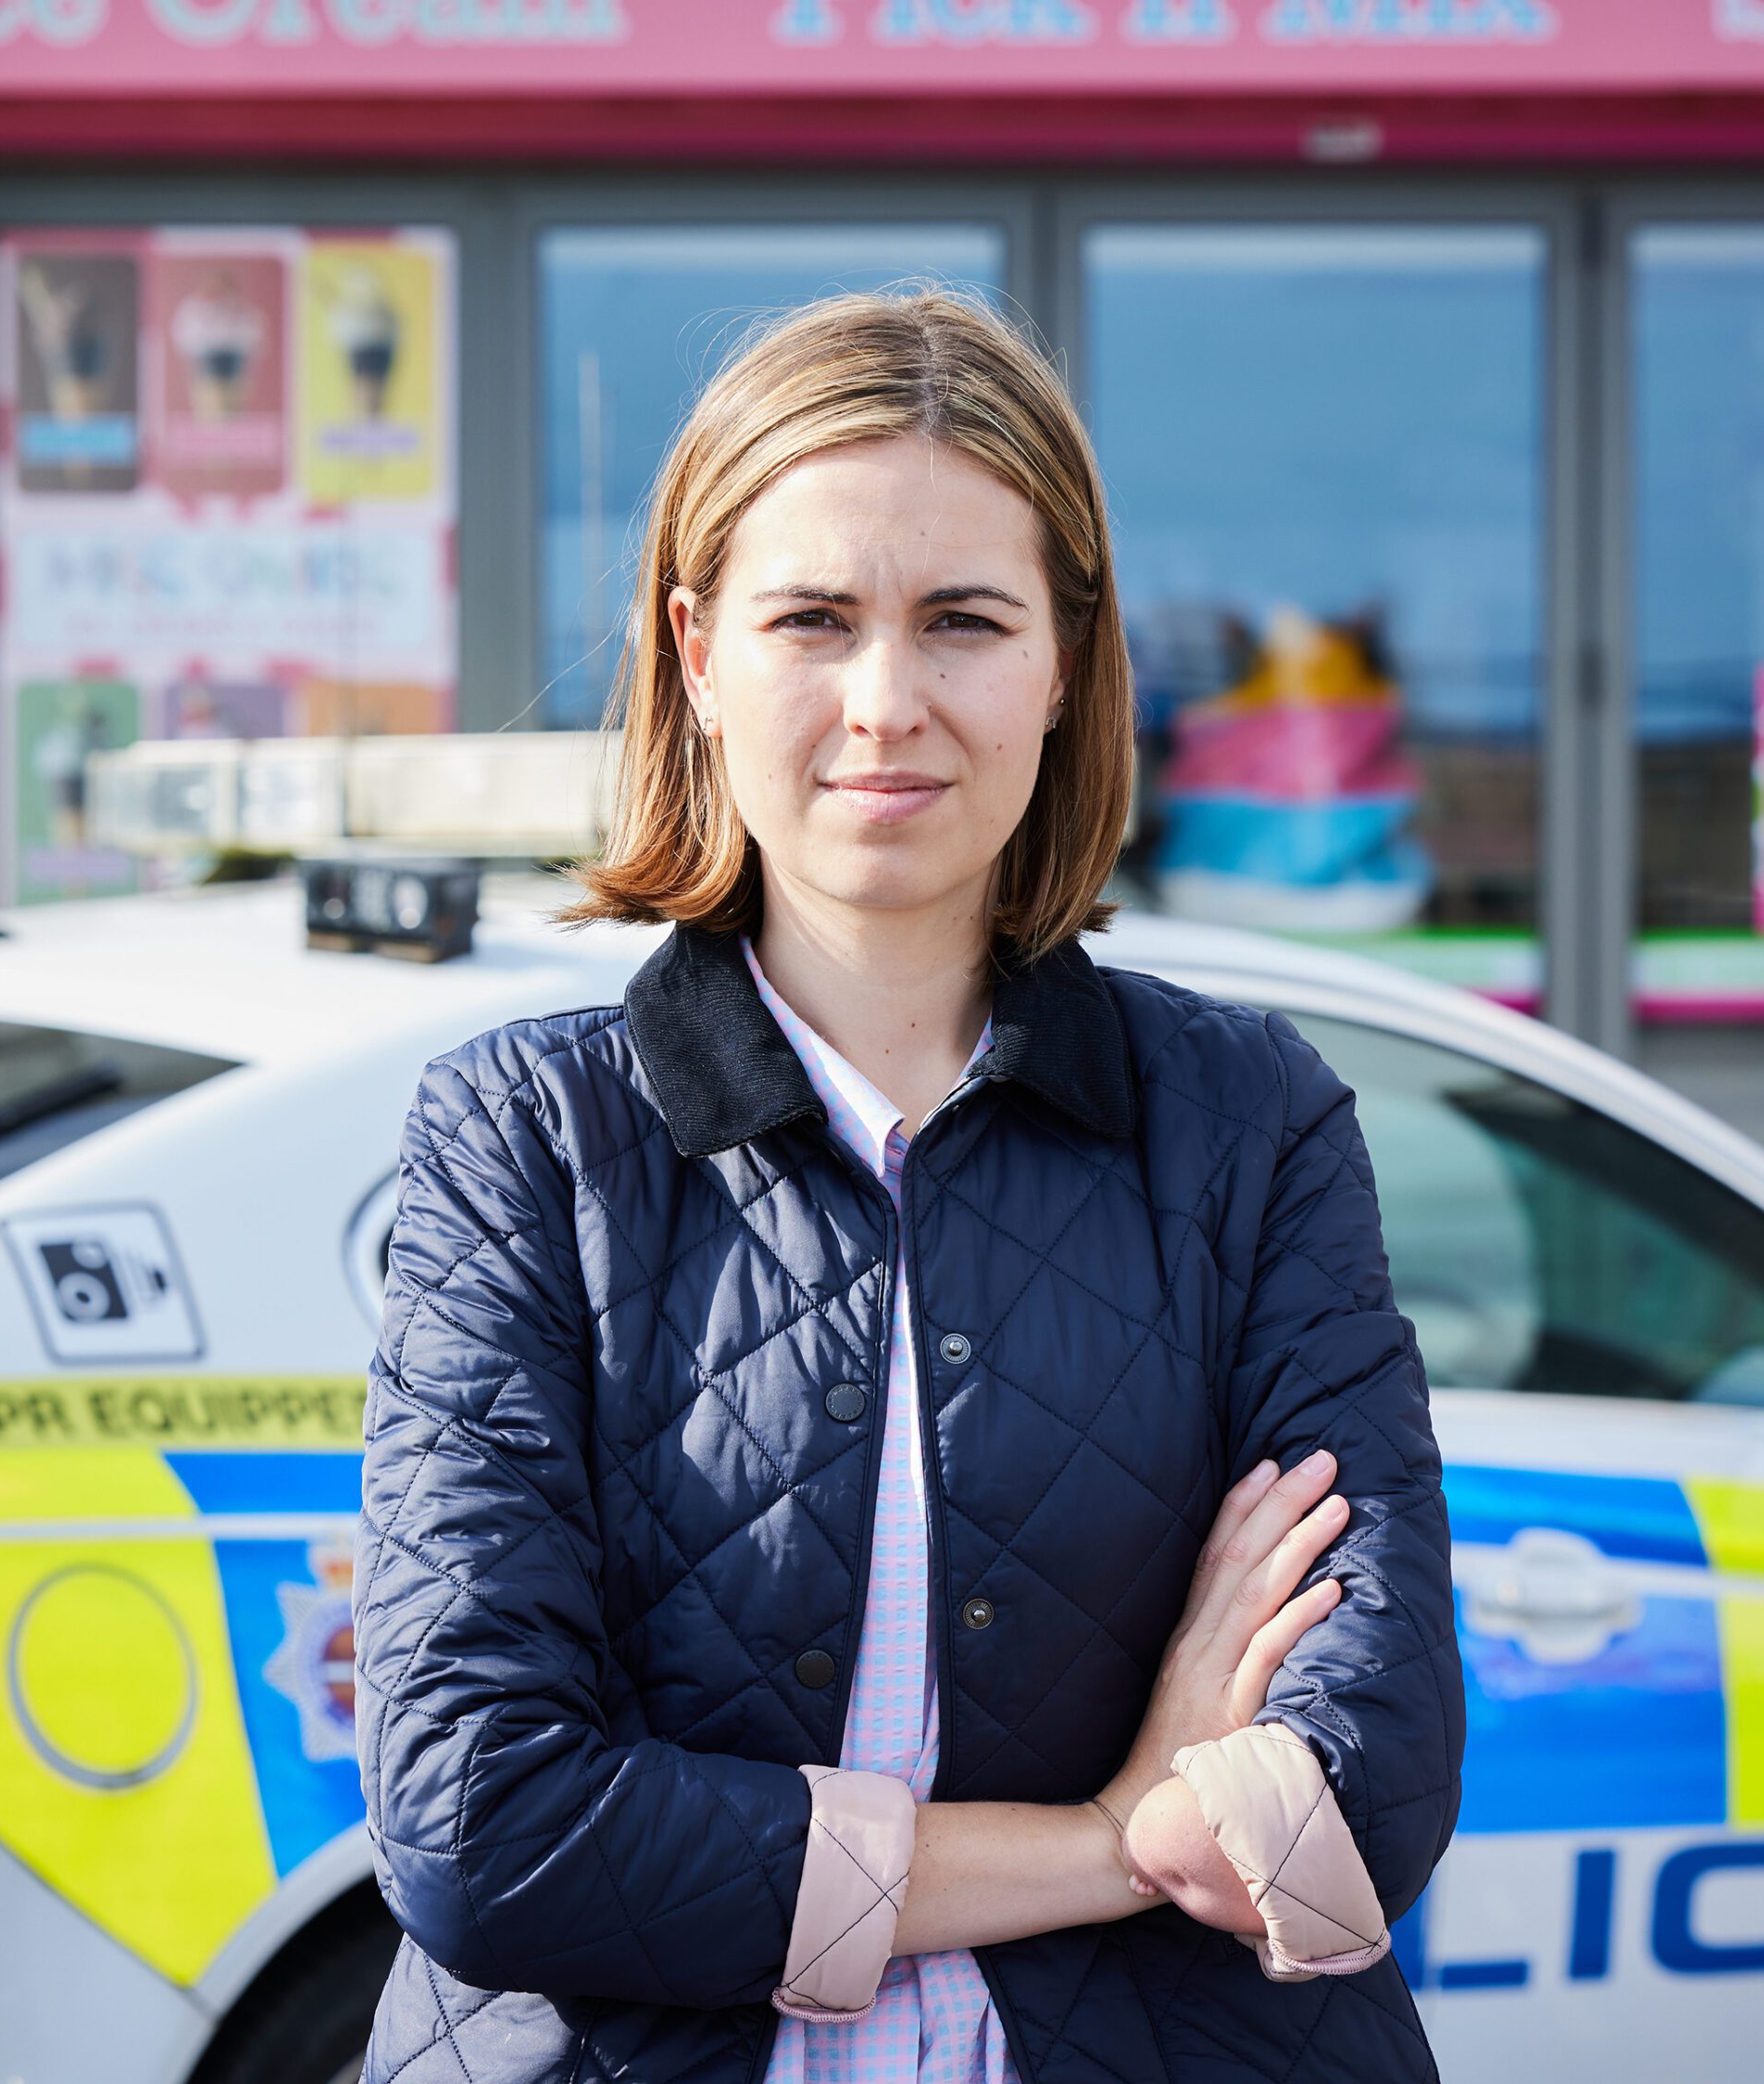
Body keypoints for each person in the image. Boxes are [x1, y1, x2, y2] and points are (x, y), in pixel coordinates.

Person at [354, 289, 1462, 2084]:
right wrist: (1106, 1842)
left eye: (964, 621)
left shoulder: (1249, 1120)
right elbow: (485, 1824)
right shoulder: (528, 1139)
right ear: (697, 654)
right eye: (813, 620)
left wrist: (1219, 1815)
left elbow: (1367, 1784)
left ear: (1063, 661)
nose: (888, 704)